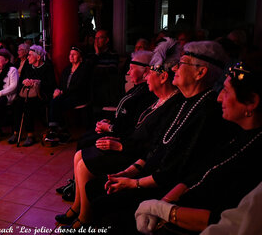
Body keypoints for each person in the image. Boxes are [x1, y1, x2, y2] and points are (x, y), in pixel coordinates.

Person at [62, 41, 230, 234]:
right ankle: (83, 214)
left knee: (101, 196)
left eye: (183, 63)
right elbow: (157, 147)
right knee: (94, 181)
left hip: (162, 187)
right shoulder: (185, 102)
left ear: (200, 73)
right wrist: (130, 172)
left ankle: (87, 222)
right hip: (146, 169)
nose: (175, 67)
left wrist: (135, 182)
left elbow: (176, 170)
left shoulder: (205, 110)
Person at [55, 39, 181, 229]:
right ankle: (77, 206)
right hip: (128, 146)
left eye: (150, 73)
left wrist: (119, 143)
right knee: (80, 154)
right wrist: (114, 132)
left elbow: (151, 146)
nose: (146, 77)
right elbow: (136, 128)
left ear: (163, 77)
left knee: (83, 165)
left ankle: (85, 217)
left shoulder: (168, 103)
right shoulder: (158, 99)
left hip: (133, 155)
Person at [135, 54, 262, 235]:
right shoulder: (236, 134)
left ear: (252, 102)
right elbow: (196, 175)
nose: (219, 98)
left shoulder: (255, 155)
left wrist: (162, 210)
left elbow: (223, 219)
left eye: (226, 91)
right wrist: (163, 202)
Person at [9, 45, 56, 147]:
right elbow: (21, 80)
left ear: (38, 57)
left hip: (41, 94)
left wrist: (37, 82)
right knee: (17, 103)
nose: (28, 57)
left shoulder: (47, 66)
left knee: (28, 104)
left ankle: (30, 135)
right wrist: (25, 81)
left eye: (30, 55)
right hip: (27, 92)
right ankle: (16, 132)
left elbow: (51, 84)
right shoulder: (27, 65)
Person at [45, 46, 90, 143]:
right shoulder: (67, 69)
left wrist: (62, 92)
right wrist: (58, 90)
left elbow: (79, 86)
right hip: (66, 95)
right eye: (70, 54)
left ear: (80, 57)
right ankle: (60, 131)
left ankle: (57, 131)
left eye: (74, 54)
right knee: (53, 101)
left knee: (56, 104)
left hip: (78, 95)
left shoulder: (84, 69)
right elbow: (61, 84)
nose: (71, 56)